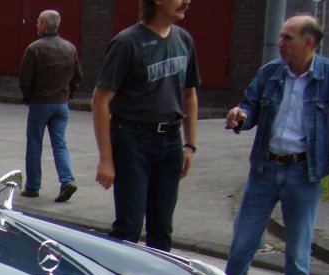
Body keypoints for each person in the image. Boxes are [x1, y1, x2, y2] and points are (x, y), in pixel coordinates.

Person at [224, 15, 329, 275]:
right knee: (242, 246)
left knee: (298, 252)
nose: (280, 43)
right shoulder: (270, 73)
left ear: (309, 43)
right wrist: (239, 116)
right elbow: (249, 105)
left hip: (304, 174)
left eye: (287, 37)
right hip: (264, 171)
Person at [92, 0, 199, 252]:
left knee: (162, 228)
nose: (187, 1)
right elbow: (100, 100)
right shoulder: (127, 42)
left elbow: (190, 94)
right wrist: (106, 159)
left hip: (170, 140)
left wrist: (190, 144)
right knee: (129, 226)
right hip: (132, 139)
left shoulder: (184, 39)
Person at [18, 10, 82, 202]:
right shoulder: (70, 48)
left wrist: (28, 97)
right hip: (61, 103)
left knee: (35, 144)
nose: (36, 25)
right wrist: (68, 94)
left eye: (38, 22)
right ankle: (67, 180)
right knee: (60, 144)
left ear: (45, 25)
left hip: (40, 103)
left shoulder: (34, 49)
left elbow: (25, 78)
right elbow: (77, 76)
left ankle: (32, 186)